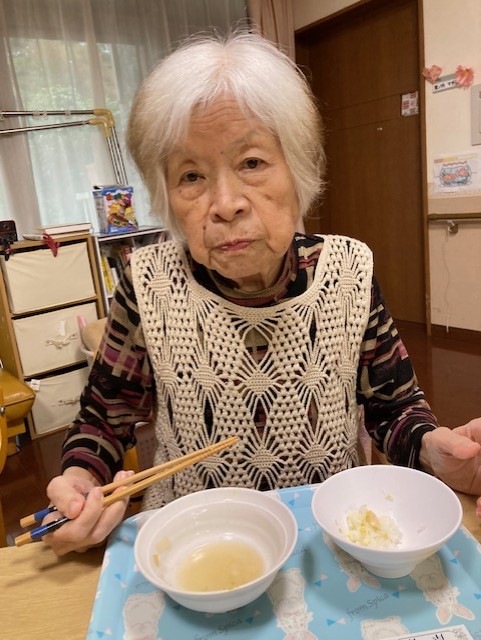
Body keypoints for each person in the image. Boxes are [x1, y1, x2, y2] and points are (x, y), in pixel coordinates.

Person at [45, 31, 481, 555]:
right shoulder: (148, 283)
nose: (226, 203)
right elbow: (103, 417)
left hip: (330, 537)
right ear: (167, 196)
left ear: (298, 171)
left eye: (251, 162)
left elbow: (394, 408)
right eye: (190, 175)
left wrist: (433, 449)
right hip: (192, 545)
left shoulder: (348, 272)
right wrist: (80, 481)